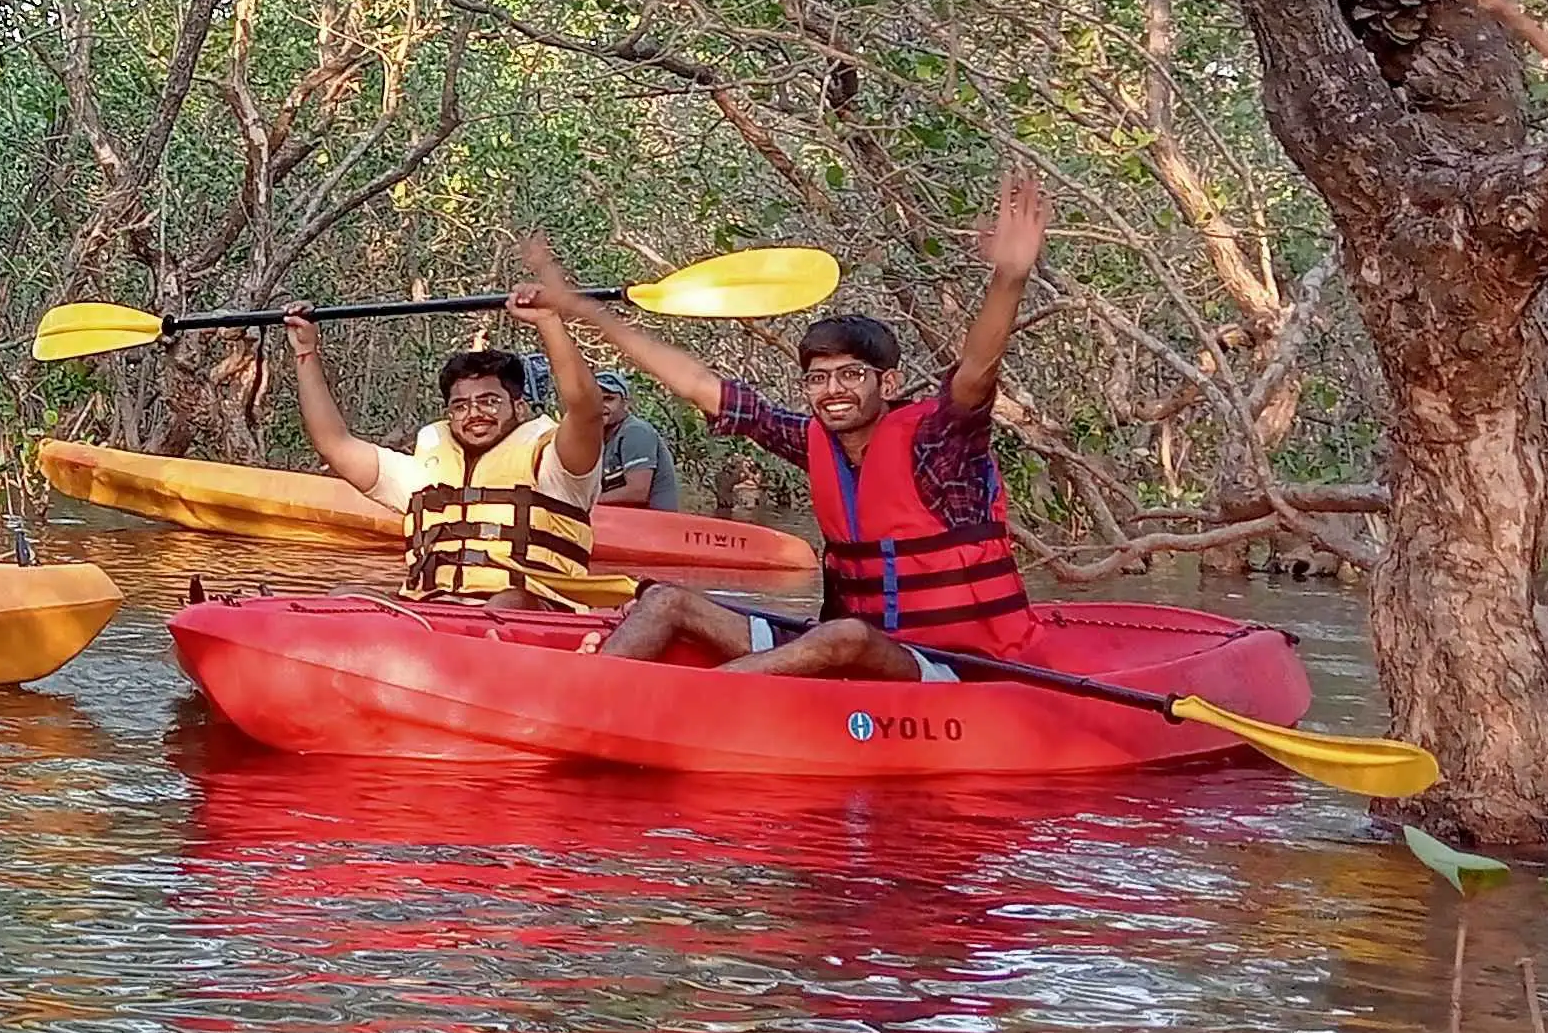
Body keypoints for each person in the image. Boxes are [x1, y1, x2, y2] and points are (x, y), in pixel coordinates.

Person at [545, 172, 1048, 680]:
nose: (833, 391)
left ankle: (689, 700)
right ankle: (587, 694)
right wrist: (581, 311)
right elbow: (698, 383)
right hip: (856, 650)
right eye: (818, 378)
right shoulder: (816, 443)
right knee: (666, 600)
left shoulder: (941, 447)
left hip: (958, 666)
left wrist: (1010, 278)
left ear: (888, 383)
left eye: (851, 375)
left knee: (845, 634)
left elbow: (976, 372)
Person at [282, 271, 608, 599]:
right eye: (460, 406)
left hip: (530, 615)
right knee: (345, 596)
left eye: (490, 401)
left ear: (520, 408)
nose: (474, 414)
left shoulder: (554, 462)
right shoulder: (426, 470)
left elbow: (586, 409)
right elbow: (334, 444)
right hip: (435, 614)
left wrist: (548, 321)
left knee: (509, 600)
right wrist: (305, 352)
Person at [591, 369, 682, 510]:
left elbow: (637, 492)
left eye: (608, 399)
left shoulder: (635, 431)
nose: (601, 405)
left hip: (653, 523)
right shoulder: (598, 438)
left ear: (625, 403)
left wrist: (588, 502)